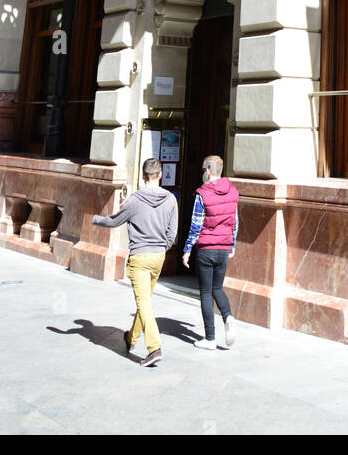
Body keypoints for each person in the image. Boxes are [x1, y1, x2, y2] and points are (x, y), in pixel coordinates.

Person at [92, 157, 178, 367]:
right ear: (160, 175)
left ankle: (154, 347)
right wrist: (163, 247)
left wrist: (96, 220)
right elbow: (172, 234)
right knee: (145, 300)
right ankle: (131, 338)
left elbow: (114, 221)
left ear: (142, 175)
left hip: (140, 256)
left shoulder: (135, 200)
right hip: (158, 257)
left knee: (143, 302)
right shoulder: (171, 199)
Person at [182, 154, 239, 350]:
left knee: (206, 292)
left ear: (207, 170)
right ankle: (228, 316)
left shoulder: (202, 193)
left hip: (206, 248)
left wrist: (187, 248)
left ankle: (210, 338)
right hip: (223, 248)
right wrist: (232, 244)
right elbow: (235, 221)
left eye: (203, 170)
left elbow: (196, 224)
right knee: (217, 288)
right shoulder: (233, 192)